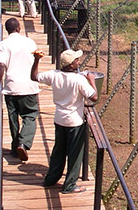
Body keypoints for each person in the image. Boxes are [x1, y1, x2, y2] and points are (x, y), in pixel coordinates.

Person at [30, 48, 97, 194]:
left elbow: (34, 76)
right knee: (74, 154)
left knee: (58, 150)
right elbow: (93, 97)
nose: (78, 61)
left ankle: (51, 179)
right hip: (75, 122)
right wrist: (91, 80)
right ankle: (70, 185)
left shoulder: (54, 75)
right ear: (71, 65)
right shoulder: (79, 80)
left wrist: (36, 60)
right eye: (76, 60)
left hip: (59, 119)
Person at [0, 18, 40, 161]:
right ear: (18, 28)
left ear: (7, 30)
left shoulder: (2, 45)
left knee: (13, 118)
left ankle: (15, 146)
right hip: (28, 86)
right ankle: (23, 143)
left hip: (11, 87)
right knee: (29, 116)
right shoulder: (30, 42)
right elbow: (35, 59)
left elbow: (1, 65)